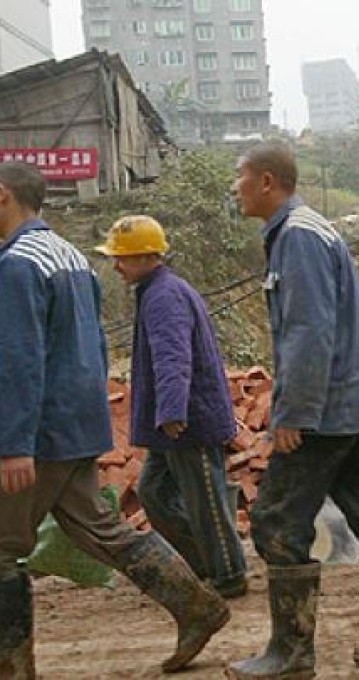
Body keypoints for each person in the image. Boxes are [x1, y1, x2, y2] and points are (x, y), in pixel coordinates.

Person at [0, 161, 228, 677]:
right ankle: (196, 605)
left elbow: (19, 360)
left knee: (2, 551)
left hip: (41, 434)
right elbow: (95, 345)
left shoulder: (16, 265)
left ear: (4, 196)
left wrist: (13, 444)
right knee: (102, 528)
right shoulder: (70, 257)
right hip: (76, 423)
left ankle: (12, 667)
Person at [227, 141, 359, 678]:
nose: (234, 186)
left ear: (267, 182)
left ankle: (292, 652)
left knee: (275, 521)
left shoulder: (298, 237)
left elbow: (309, 331)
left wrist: (294, 412)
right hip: (349, 405)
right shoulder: (303, 232)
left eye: (240, 175)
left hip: (323, 412)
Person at [95, 215, 248, 599]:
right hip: (175, 421)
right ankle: (202, 564)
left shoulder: (164, 297)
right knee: (154, 493)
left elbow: (173, 357)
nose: (116, 266)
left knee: (206, 501)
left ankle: (229, 574)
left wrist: (172, 412)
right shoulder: (156, 291)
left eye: (122, 258)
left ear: (147, 257)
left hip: (189, 420)